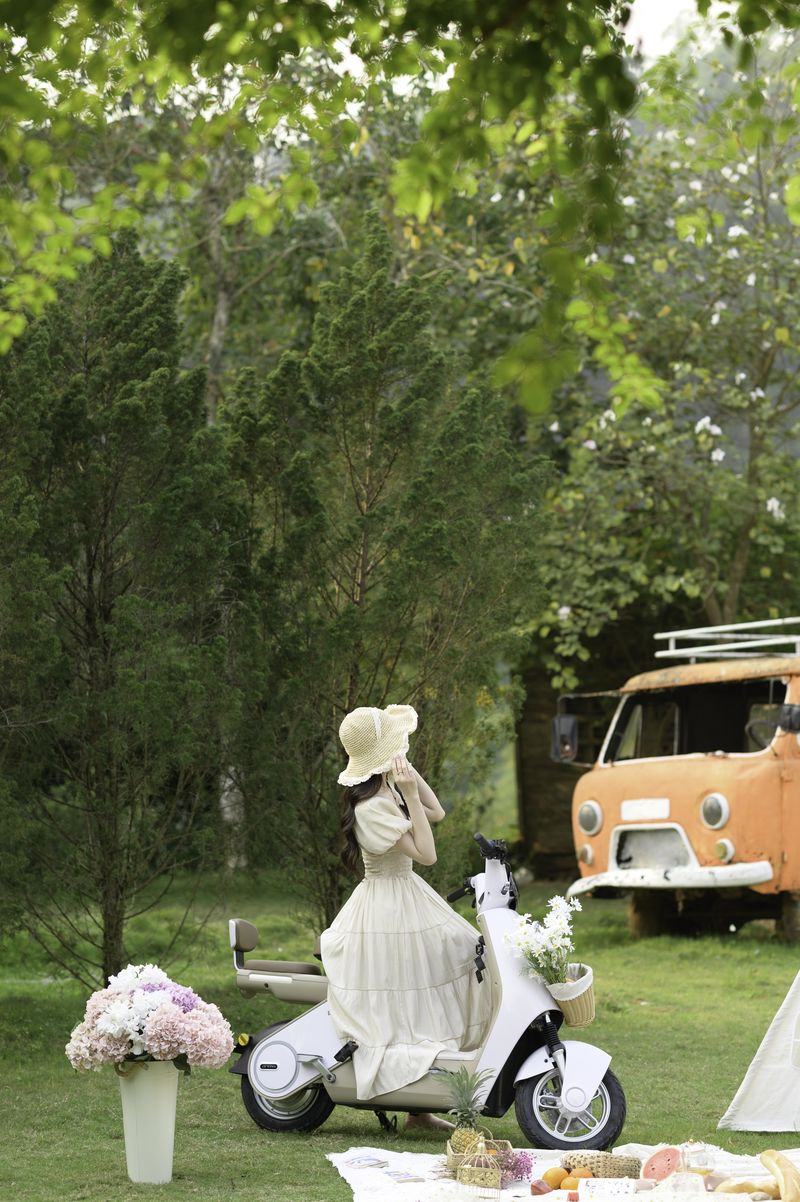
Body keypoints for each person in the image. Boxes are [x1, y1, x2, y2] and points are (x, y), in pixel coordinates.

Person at [319, 704, 491, 1123]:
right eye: (395, 747)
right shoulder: (371, 808)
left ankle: (420, 1109)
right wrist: (409, 794)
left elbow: (436, 813)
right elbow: (427, 854)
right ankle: (415, 1100)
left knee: (457, 958)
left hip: (408, 896)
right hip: (386, 906)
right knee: (405, 1000)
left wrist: (408, 777)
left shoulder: (386, 791)